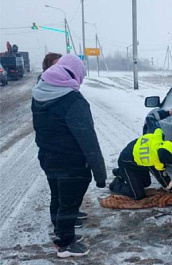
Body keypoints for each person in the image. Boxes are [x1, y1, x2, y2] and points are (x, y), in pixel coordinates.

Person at [31, 54, 107, 258]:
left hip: (48, 158)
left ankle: (61, 233)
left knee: (57, 197)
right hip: (71, 163)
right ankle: (65, 243)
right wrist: (100, 175)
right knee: (69, 203)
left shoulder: (39, 94)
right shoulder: (73, 100)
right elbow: (88, 140)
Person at [110, 107, 172, 200]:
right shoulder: (154, 162)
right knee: (138, 194)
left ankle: (120, 172)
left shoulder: (158, 135)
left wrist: (170, 112)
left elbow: (151, 117)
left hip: (138, 159)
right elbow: (166, 183)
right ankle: (116, 183)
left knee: (146, 183)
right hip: (126, 162)